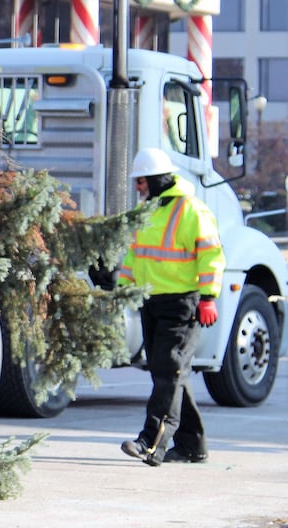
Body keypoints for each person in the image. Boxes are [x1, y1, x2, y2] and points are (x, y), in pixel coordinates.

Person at [116, 146, 224, 466]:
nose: (137, 187)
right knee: (171, 373)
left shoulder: (191, 210)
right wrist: (123, 290)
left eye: (141, 181)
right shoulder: (148, 211)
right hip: (152, 301)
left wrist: (209, 298)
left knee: (168, 372)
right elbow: (134, 255)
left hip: (183, 305)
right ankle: (192, 446)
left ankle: (151, 442)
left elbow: (211, 255)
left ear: (157, 179)